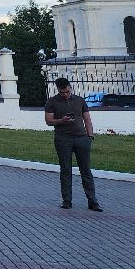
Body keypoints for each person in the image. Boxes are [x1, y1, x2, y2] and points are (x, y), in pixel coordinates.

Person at [45, 77, 102, 212]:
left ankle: (93, 202)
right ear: (58, 90)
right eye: (62, 92)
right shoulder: (52, 102)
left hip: (82, 139)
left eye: (67, 91)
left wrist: (90, 135)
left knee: (86, 170)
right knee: (66, 170)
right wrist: (61, 121)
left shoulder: (79, 100)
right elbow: (48, 121)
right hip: (63, 139)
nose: (65, 94)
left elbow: (87, 118)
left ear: (70, 87)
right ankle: (67, 201)